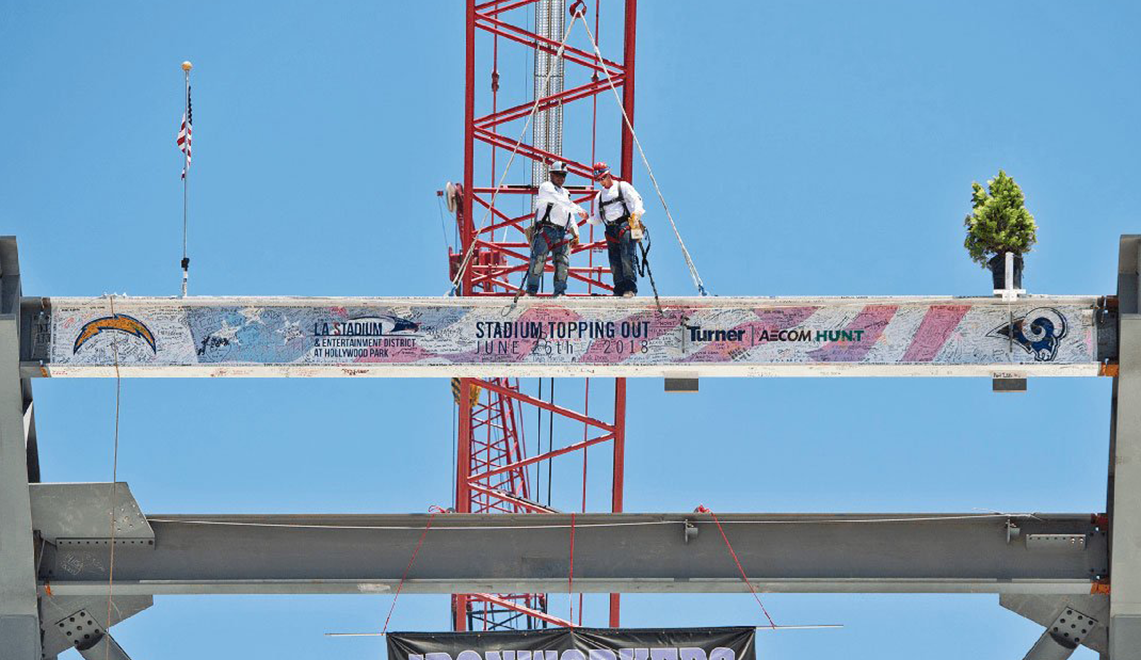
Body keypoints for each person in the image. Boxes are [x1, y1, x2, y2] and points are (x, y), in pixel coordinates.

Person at [521, 161, 585, 298]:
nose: (561, 178)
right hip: (546, 230)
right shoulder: (546, 187)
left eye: (563, 175)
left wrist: (575, 231)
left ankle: (560, 292)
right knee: (538, 260)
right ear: (551, 175)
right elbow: (561, 202)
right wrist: (579, 209)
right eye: (558, 174)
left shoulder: (565, 193)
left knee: (562, 262)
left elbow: (568, 214)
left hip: (562, 232)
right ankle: (531, 291)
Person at [587, 161, 645, 297]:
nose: (602, 181)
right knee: (614, 261)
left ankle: (630, 288)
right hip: (610, 229)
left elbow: (637, 201)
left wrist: (636, 214)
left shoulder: (622, 187)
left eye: (603, 177)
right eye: (599, 179)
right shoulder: (599, 196)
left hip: (625, 225)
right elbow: (597, 219)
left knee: (627, 256)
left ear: (609, 174)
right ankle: (619, 288)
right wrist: (586, 218)